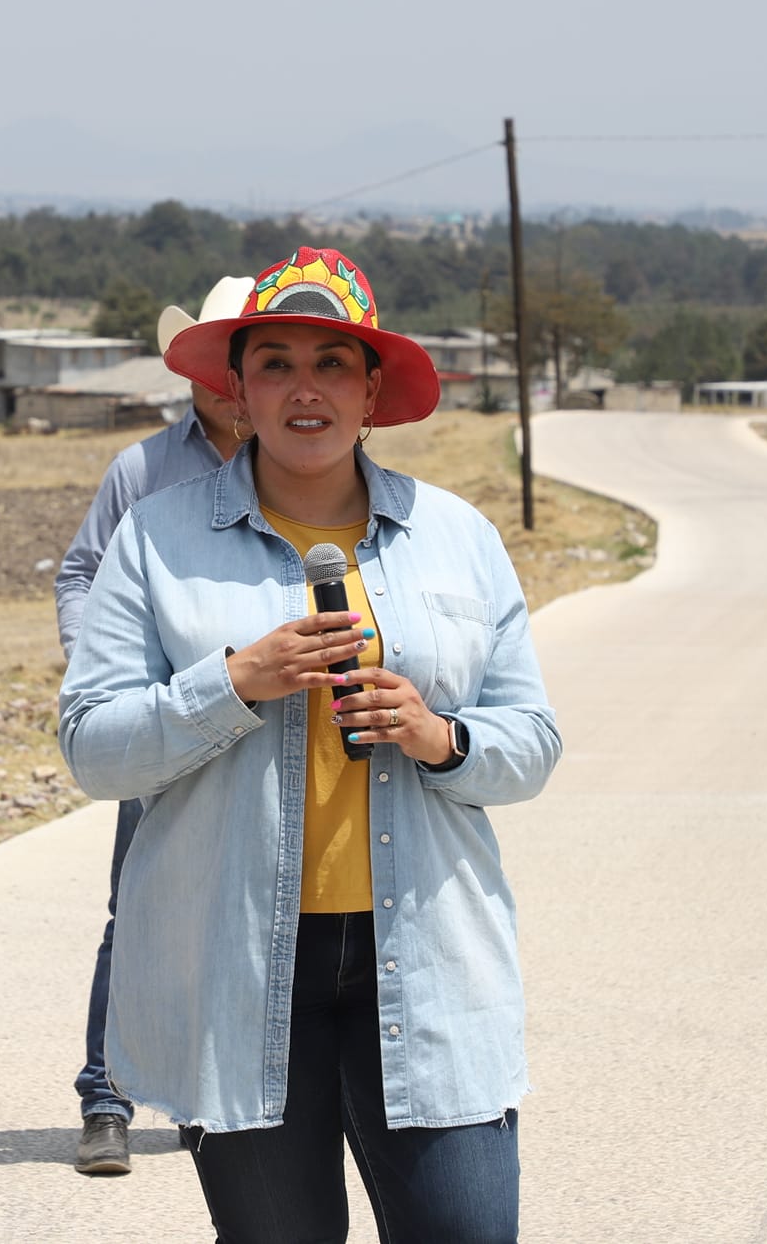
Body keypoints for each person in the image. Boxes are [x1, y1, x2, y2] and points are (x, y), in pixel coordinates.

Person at [59, 247, 561, 1243]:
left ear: (371, 391)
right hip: (238, 968)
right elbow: (92, 748)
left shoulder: (453, 536)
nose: (304, 389)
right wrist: (232, 684)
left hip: (422, 961)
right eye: (275, 361)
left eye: (332, 362)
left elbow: (532, 741)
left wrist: (435, 735)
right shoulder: (157, 539)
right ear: (234, 387)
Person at [54, 274, 251, 1176]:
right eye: (210, 360)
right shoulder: (141, 469)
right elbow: (80, 575)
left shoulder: (300, 467)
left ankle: (227, 1093)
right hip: (165, 728)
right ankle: (106, 1098)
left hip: (268, 727)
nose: (223, 378)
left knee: (253, 908)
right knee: (136, 908)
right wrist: (106, 679)